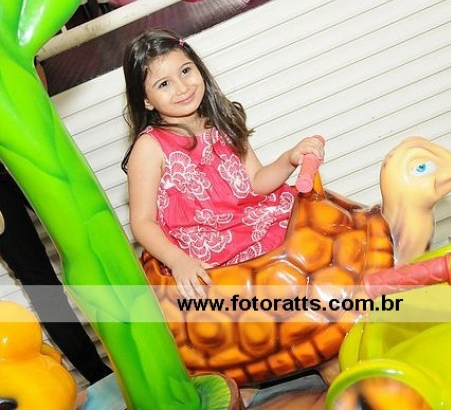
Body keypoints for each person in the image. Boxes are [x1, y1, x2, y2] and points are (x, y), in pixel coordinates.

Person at [122, 28, 324, 300]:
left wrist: (290, 158)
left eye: (185, 71)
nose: (182, 87)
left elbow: (257, 182)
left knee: (316, 238)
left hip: (252, 225)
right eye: (164, 84)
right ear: (146, 100)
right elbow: (142, 221)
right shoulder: (149, 147)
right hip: (209, 253)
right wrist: (178, 260)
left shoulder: (221, 121)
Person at [0, 57, 113, 386]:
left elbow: (30, 66)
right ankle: (98, 376)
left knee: (94, 244)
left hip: (27, 145)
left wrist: (32, 114)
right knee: (40, 284)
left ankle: (139, 350)